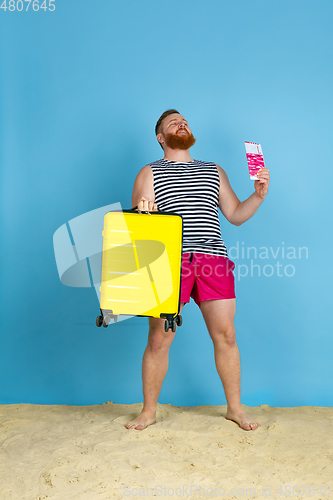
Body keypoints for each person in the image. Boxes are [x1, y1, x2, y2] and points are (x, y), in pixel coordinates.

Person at [126, 109, 270, 431]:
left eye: (184, 120)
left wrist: (258, 196)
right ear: (161, 137)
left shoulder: (213, 170)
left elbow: (234, 214)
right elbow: (137, 226)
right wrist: (143, 211)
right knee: (159, 340)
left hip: (213, 261)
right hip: (167, 264)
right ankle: (148, 411)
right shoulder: (148, 173)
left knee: (227, 335)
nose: (181, 123)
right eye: (172, 123)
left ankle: (235, 408)